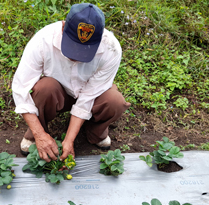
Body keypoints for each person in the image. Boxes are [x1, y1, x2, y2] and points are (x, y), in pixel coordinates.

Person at [12, 3, 130, 162]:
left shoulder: (111, 48)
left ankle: (95, 132)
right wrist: (40, 135)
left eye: (84, 50)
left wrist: (69, 140)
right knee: (44, 89)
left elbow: (89, 96)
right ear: (63, 28)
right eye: (73, 46)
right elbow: (21, 88)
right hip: (58, 93)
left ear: (100, 38)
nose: (76, 56)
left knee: (114, 102)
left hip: (91, 96)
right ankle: (37, 135)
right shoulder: (43, 40)